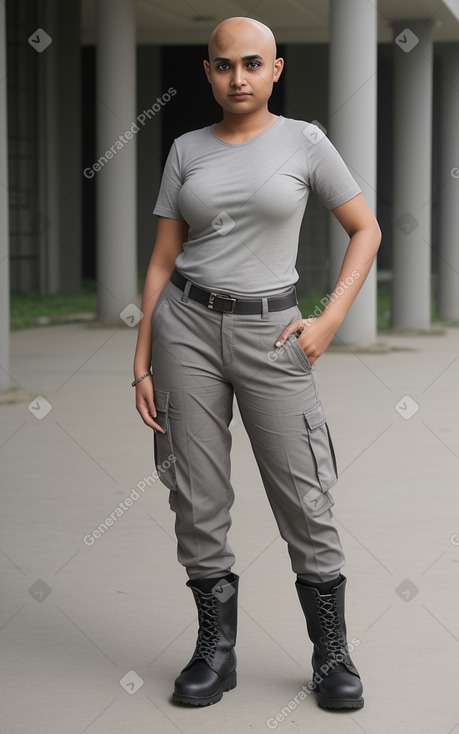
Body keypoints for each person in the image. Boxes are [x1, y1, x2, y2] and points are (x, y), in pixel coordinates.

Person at [133, 16, 381, 711]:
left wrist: (329, 317)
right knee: (195, 495)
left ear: (275, 70)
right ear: (207, 71)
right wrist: (142, 359)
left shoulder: (305, 141)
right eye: (221, 65)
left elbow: (365, 229)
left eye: (250, 63)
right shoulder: (186, 149)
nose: (235, 77)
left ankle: (331, 654)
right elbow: (160, 260)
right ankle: (215, 652)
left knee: (305, 495)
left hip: (274, 335)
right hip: (183, 328)